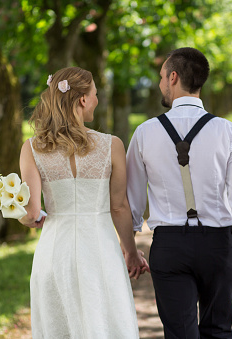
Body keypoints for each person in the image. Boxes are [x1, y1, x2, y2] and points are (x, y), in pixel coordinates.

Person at [126, 47, 232, 339]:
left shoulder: (144, 132)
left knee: (179, 334)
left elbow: (132, 203)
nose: (160, 83)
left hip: (169, 248)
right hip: (218, 248)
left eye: (162, 77)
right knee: (218, 331)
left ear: (173, 77)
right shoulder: (229, 132)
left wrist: (129, 251)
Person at [18, 66, 149, 338]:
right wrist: (131, 252)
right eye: (95, 94)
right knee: (106, 323)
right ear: (82, 100)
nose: (97, 100)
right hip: (100, 249)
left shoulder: (32, 148)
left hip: (55, 251)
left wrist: (25, 216)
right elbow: (119, 207)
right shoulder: (112, 145)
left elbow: (30, 213)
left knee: (59, 326)